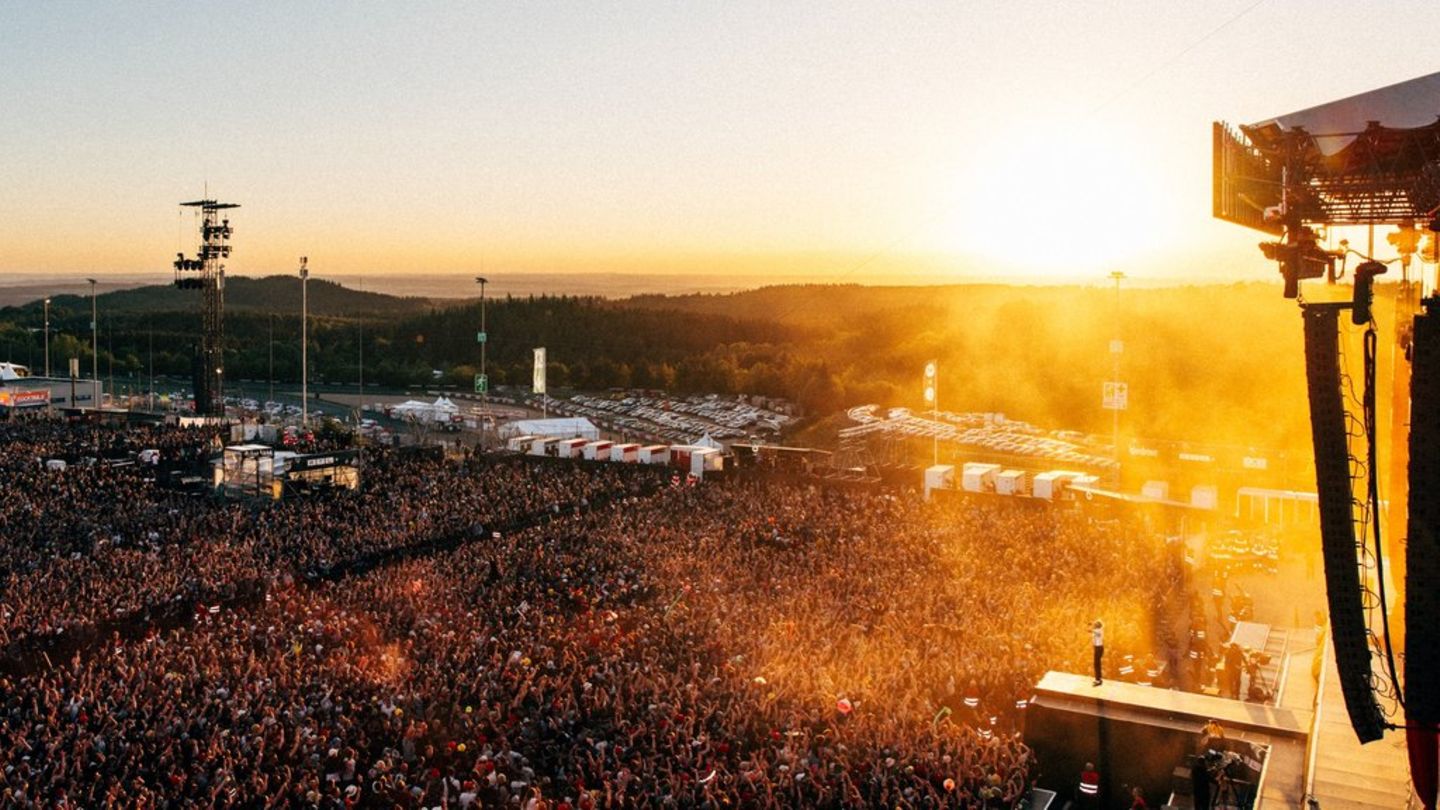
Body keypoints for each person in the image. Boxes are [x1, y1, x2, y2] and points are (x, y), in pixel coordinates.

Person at [1092, 619, 1105, 686]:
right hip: (1097, 648)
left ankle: (1098, 679)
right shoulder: (1097, 630)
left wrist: (1093, 631)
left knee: (1097, 664)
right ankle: (1098, 678)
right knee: (1097, 664)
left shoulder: (1099, 631)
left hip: (1099, 648)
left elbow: (1098, 634)